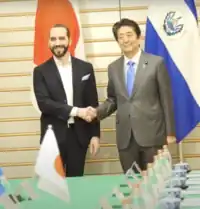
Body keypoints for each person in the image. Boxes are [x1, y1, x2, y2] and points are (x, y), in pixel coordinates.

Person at [86, 18, 176, 173]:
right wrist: (96, 112)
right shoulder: (113, 68)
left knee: (156, 184)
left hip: (152, 135)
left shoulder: (156, 63)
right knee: (132, 185)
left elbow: (166, 100)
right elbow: (113, 99)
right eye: (121, 37)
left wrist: (170, 133)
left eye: (129, 35)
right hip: (125, 139)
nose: (125, 40)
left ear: (139, 37)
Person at [33, 24, 100, 177]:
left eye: (61, 38)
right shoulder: (40, 71)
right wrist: (77, 111)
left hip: (79, 137)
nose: (57, 43)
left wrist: (95, 134)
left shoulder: (85, 68)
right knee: (52, 188)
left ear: (69, 40)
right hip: (52, 138)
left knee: (76, 185)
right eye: (53, 39)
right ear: (49, 42)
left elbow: (92, 102)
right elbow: (44, 103)